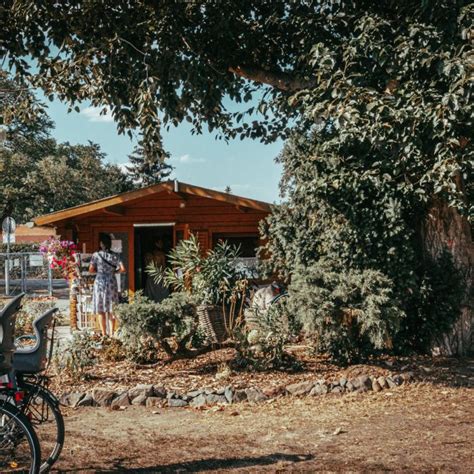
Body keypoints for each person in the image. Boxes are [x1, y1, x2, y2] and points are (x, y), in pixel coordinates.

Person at [88, 234, 126, 336]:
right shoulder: (115, 255)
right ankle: (112, 334)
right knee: (111, 308)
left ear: (101, 244)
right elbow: (123, 269)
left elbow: (90, 270)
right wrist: (114, 272)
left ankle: (104, 334)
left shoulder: (96, 255)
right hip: (111, 282)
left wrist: (99, 271)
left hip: (100, 282)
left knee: (101, 309)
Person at [144, 238, 169, 303]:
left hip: (151, 275)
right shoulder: (161, 254)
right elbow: (164, 266)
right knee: (161, 294)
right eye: (160, 243)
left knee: (151, 295)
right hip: (159, 275)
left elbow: (147, 267)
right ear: (156, 244)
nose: (162, 244)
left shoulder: (147, 255)